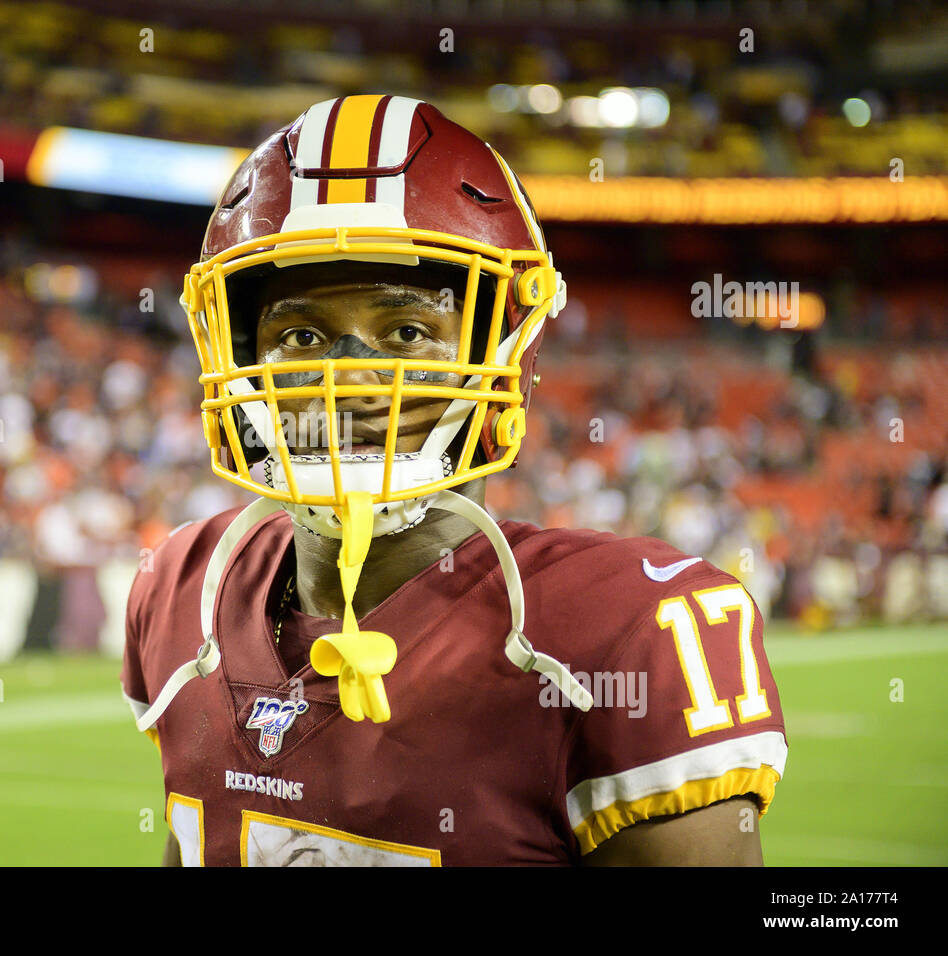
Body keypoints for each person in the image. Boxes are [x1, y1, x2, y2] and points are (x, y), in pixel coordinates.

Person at [121, 95, 787, 866]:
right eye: (299, 335)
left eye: (407, 332)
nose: (353, 382)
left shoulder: (624, 635)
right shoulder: (182, 590)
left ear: (506, 348)